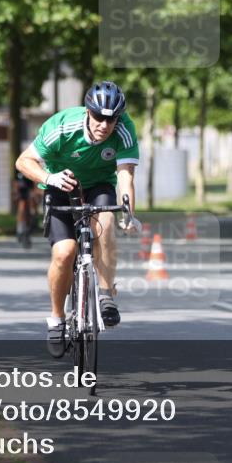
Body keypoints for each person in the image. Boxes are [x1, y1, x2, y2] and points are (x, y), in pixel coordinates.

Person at [14, 81, 141, 358]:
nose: (104, 125)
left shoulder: (124, 131)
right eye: (98, 117)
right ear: (87, 111)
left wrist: (128, 212)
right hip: (61, 185)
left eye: (111, 119)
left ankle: (106, 296)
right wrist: (49, 178)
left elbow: (125, 176)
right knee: (65, 252)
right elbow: (23, 161)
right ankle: (57, 319)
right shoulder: (62, 125)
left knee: (106, 221)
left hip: (99, 186)